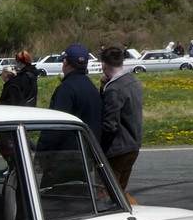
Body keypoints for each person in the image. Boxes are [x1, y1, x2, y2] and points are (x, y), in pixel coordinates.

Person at [98, 46, 144, 196]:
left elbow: (110, 125)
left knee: (105, 194)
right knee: (121, 192)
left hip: (117, 149)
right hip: (133, 145)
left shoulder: (114, 89)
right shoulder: (133, 81)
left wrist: (99, 148)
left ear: (103, 64)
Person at [48, 44, 102, 144]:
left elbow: (56, 125)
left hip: (70, 153)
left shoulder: (66, 89)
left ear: (65, 62)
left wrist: (42, 151)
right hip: (90, 150)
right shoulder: (92, 87)